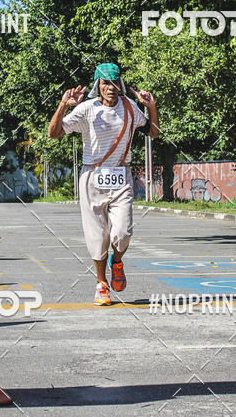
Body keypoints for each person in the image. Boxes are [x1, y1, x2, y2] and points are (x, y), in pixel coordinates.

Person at [48, 62, 159, 305]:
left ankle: (116, 261)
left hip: (121, 176)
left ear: (120, 84)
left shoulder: (130, 107)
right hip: (92, 177)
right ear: (98, 84)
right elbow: (53, 133)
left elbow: (153, 132)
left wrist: (151, 107)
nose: (110, 87)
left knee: (123, 232)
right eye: (105, 82)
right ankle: (101, 284)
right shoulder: (86, 109)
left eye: (114, 81)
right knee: (98, 237)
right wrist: (63, 106)